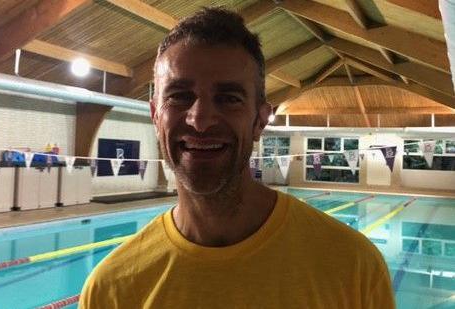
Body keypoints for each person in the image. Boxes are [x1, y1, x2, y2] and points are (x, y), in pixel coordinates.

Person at [79, 7, 394, 309]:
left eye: (228, 98)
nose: (199, 119)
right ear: (155, 116)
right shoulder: (111, 289)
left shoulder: (352, 268)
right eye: (179, 96)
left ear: (260, 120)